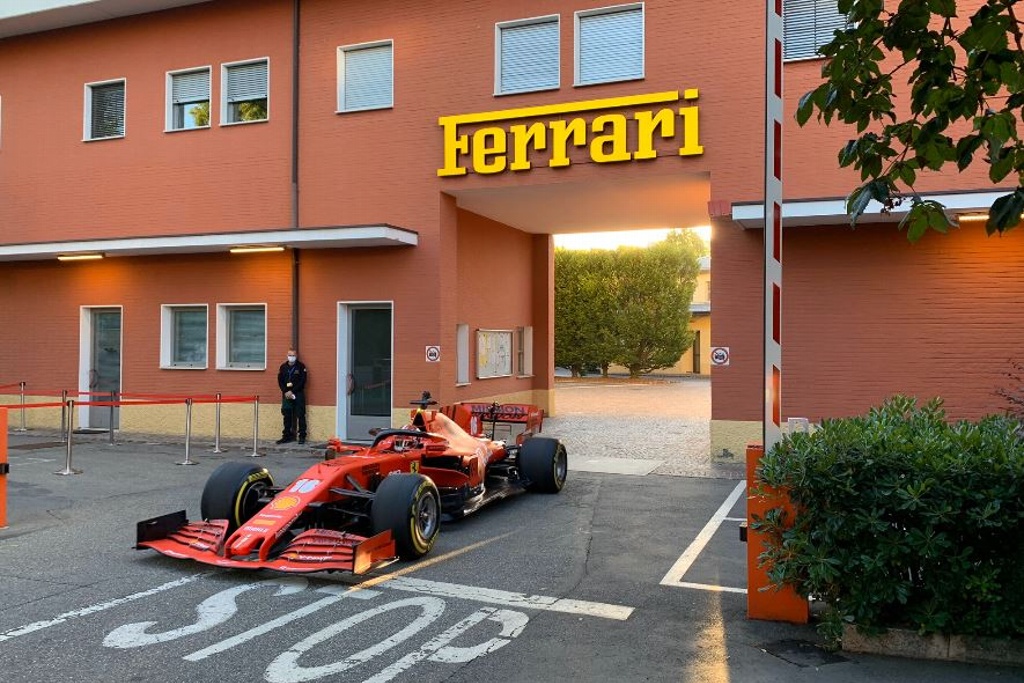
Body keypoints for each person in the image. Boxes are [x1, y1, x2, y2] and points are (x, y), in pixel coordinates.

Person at [277, 347, 308, 444]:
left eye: (293, 355)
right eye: (290, 355)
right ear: (287, 356)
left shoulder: (301, 367)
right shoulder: (283, 367)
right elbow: (280, 380)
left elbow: (302, 381)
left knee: (300, 414)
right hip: (286, 394)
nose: (291, 357)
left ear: (296, 356)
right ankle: (287, 436)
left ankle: (302, 436)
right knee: (287, 415)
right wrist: (285, 391)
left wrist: (292, 391)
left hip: (298, 393)